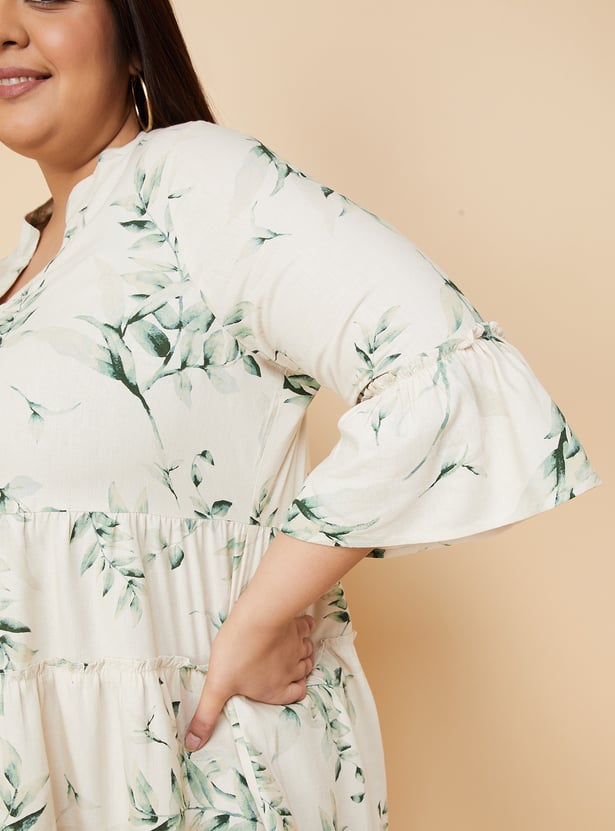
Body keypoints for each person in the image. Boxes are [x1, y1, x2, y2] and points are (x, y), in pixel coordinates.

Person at [0, 1, 601, 829]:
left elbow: (442, 370)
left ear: (132, 36)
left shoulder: (192, 184)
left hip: (183, 767)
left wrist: (260, 612)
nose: (5, 26)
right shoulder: (27, 270)